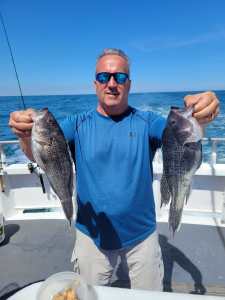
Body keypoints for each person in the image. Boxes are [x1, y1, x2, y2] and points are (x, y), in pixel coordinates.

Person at [9, 48, 219, 291]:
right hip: (91, 235)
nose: (111, 83)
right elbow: (41, 153)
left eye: (119, 77)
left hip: (143, 235)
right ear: (94, 84)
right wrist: (24, 134)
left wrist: (202, 114)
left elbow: (179, 140)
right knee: (89, 295)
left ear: (129, 84)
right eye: (103, 77)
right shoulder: (77, 123)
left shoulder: (147, 121)